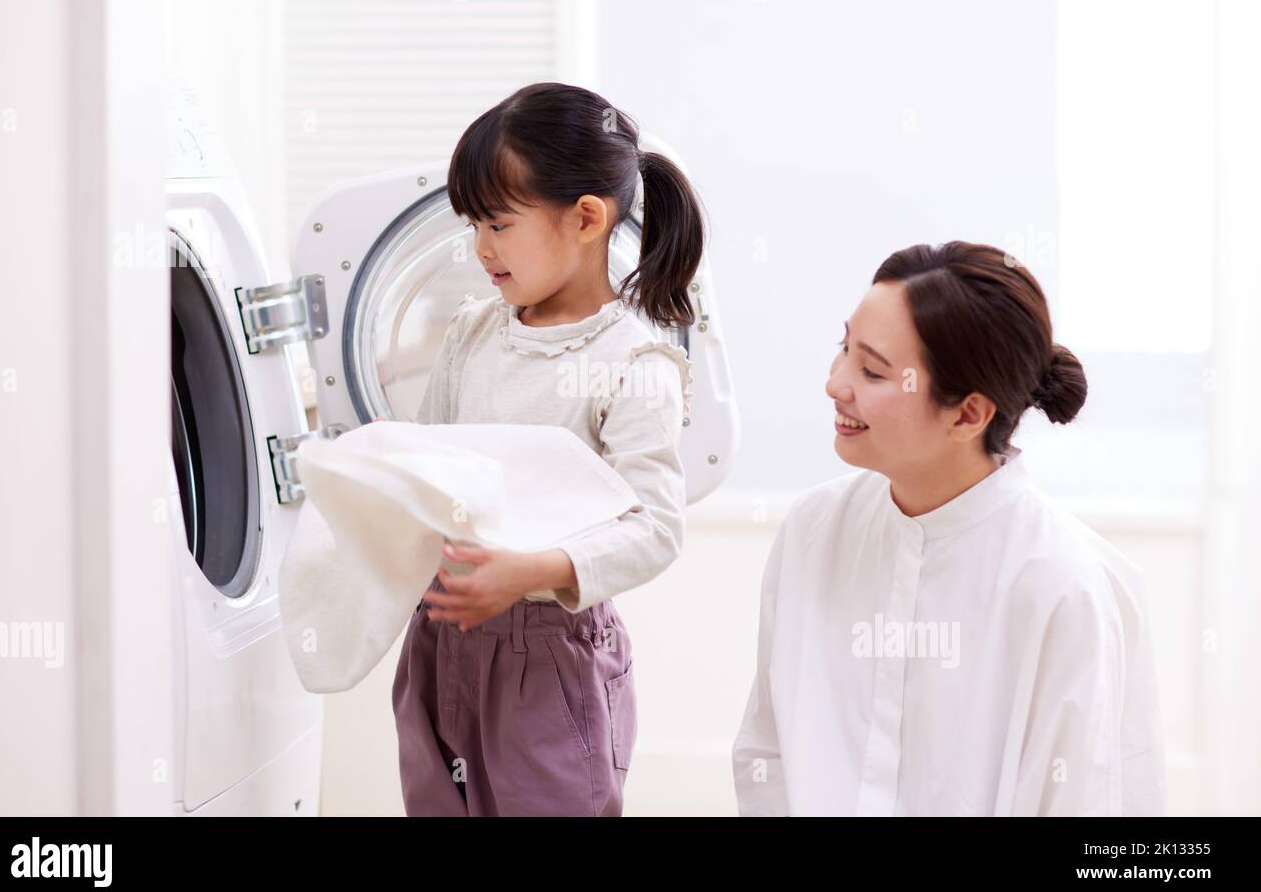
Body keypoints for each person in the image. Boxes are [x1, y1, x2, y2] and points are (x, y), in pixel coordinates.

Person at [732, 241, 1167, 816]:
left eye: (872, 370)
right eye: (844, 349)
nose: (836, 384)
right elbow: (767, 753)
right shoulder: (814, 531)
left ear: (968, 414)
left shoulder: (1065, 585)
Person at [393, 82, 702, 816]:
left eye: (498, 222)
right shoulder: (474, 333)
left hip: (547, 653)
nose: (480, 248)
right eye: (472, 224)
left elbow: (656, 527)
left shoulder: (633, 362)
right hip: (443, 634)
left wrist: (529, 571)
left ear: (587, 218)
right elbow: (425, 463)